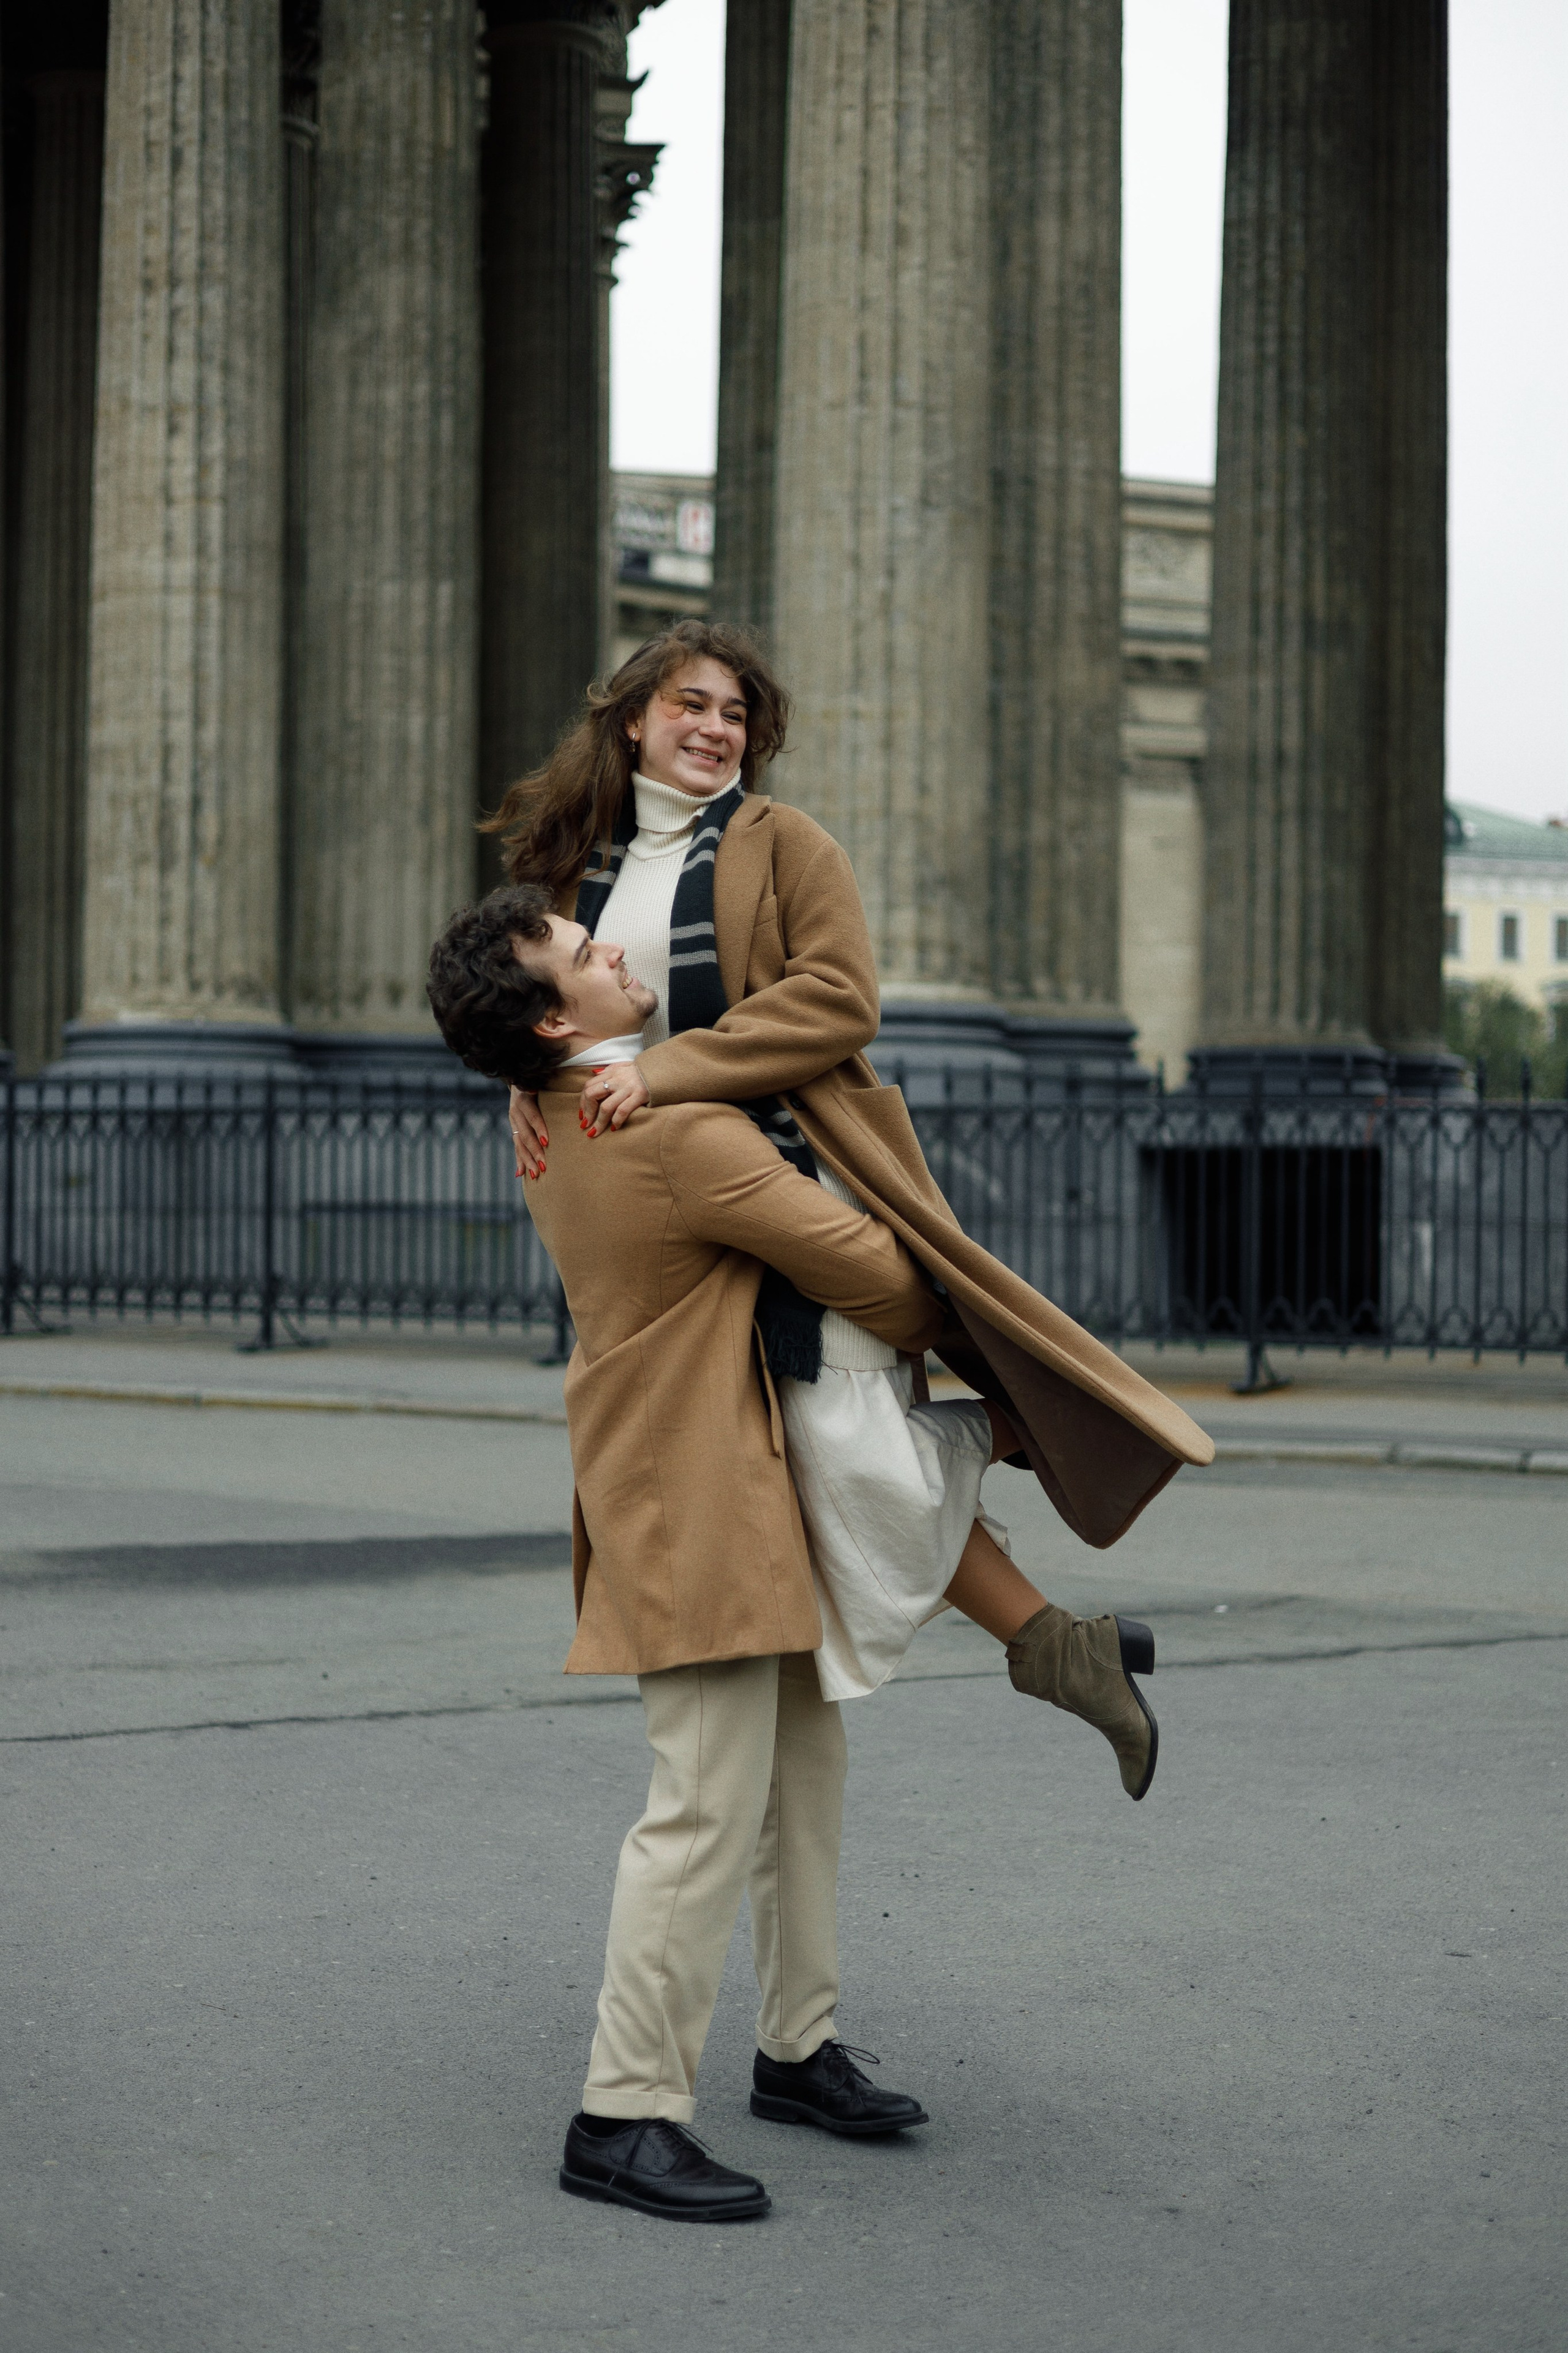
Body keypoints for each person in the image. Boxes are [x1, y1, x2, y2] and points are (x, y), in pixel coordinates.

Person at [425, 888, 1178, 2223]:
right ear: (555, 1018)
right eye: (585, 952)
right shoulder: (670, 1130)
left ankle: (794, 2046)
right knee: (704, 1806)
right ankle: (622, 2112)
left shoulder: (544, 1110)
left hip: (698, 1472)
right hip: (698, 1491)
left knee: (796, 1774)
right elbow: (878, 1277)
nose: (616, 949)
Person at [482, 621, 1213, 1696]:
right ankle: (1057, 1643)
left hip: (784, 1166)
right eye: (690, 704)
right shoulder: (572, 872)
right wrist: (519, 1087)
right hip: (666, 1201)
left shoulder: (784, 844)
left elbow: (838, 1000)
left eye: (736, 714)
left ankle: (1019, 1521)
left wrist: (670, 1074)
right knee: (799, 1457)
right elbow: (544, 1007)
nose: (716, 728)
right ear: (633, 719)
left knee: (842, 1437)